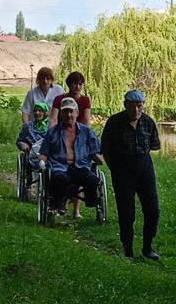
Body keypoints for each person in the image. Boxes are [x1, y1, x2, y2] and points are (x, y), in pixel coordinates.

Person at [101, 88, 161, 260]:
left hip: (144, 166)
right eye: (132, 106)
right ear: (125, 105)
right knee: (126, 212)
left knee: (153, 209)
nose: (136, 110)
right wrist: (114, 168)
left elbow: (154, 145)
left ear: (143, 106)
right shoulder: (114, 122)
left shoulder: (148, 122)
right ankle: (128, 249)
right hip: (122, 168)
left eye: (139, 106)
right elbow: (105, 147)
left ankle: (148, 246)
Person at [39, 97, 104, 216]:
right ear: (61, 114)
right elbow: (44, 152)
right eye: (65, 111)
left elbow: (94, 151)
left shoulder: (87, 132)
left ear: (77, 113)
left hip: (80, 166)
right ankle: (58, 203)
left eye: (71, 111)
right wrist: (42, 162)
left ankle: (91, 202)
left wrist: (100, 160)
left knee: (92, 180)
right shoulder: (52, 132)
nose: (68, 115)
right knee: (60, 179)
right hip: (59, 167)